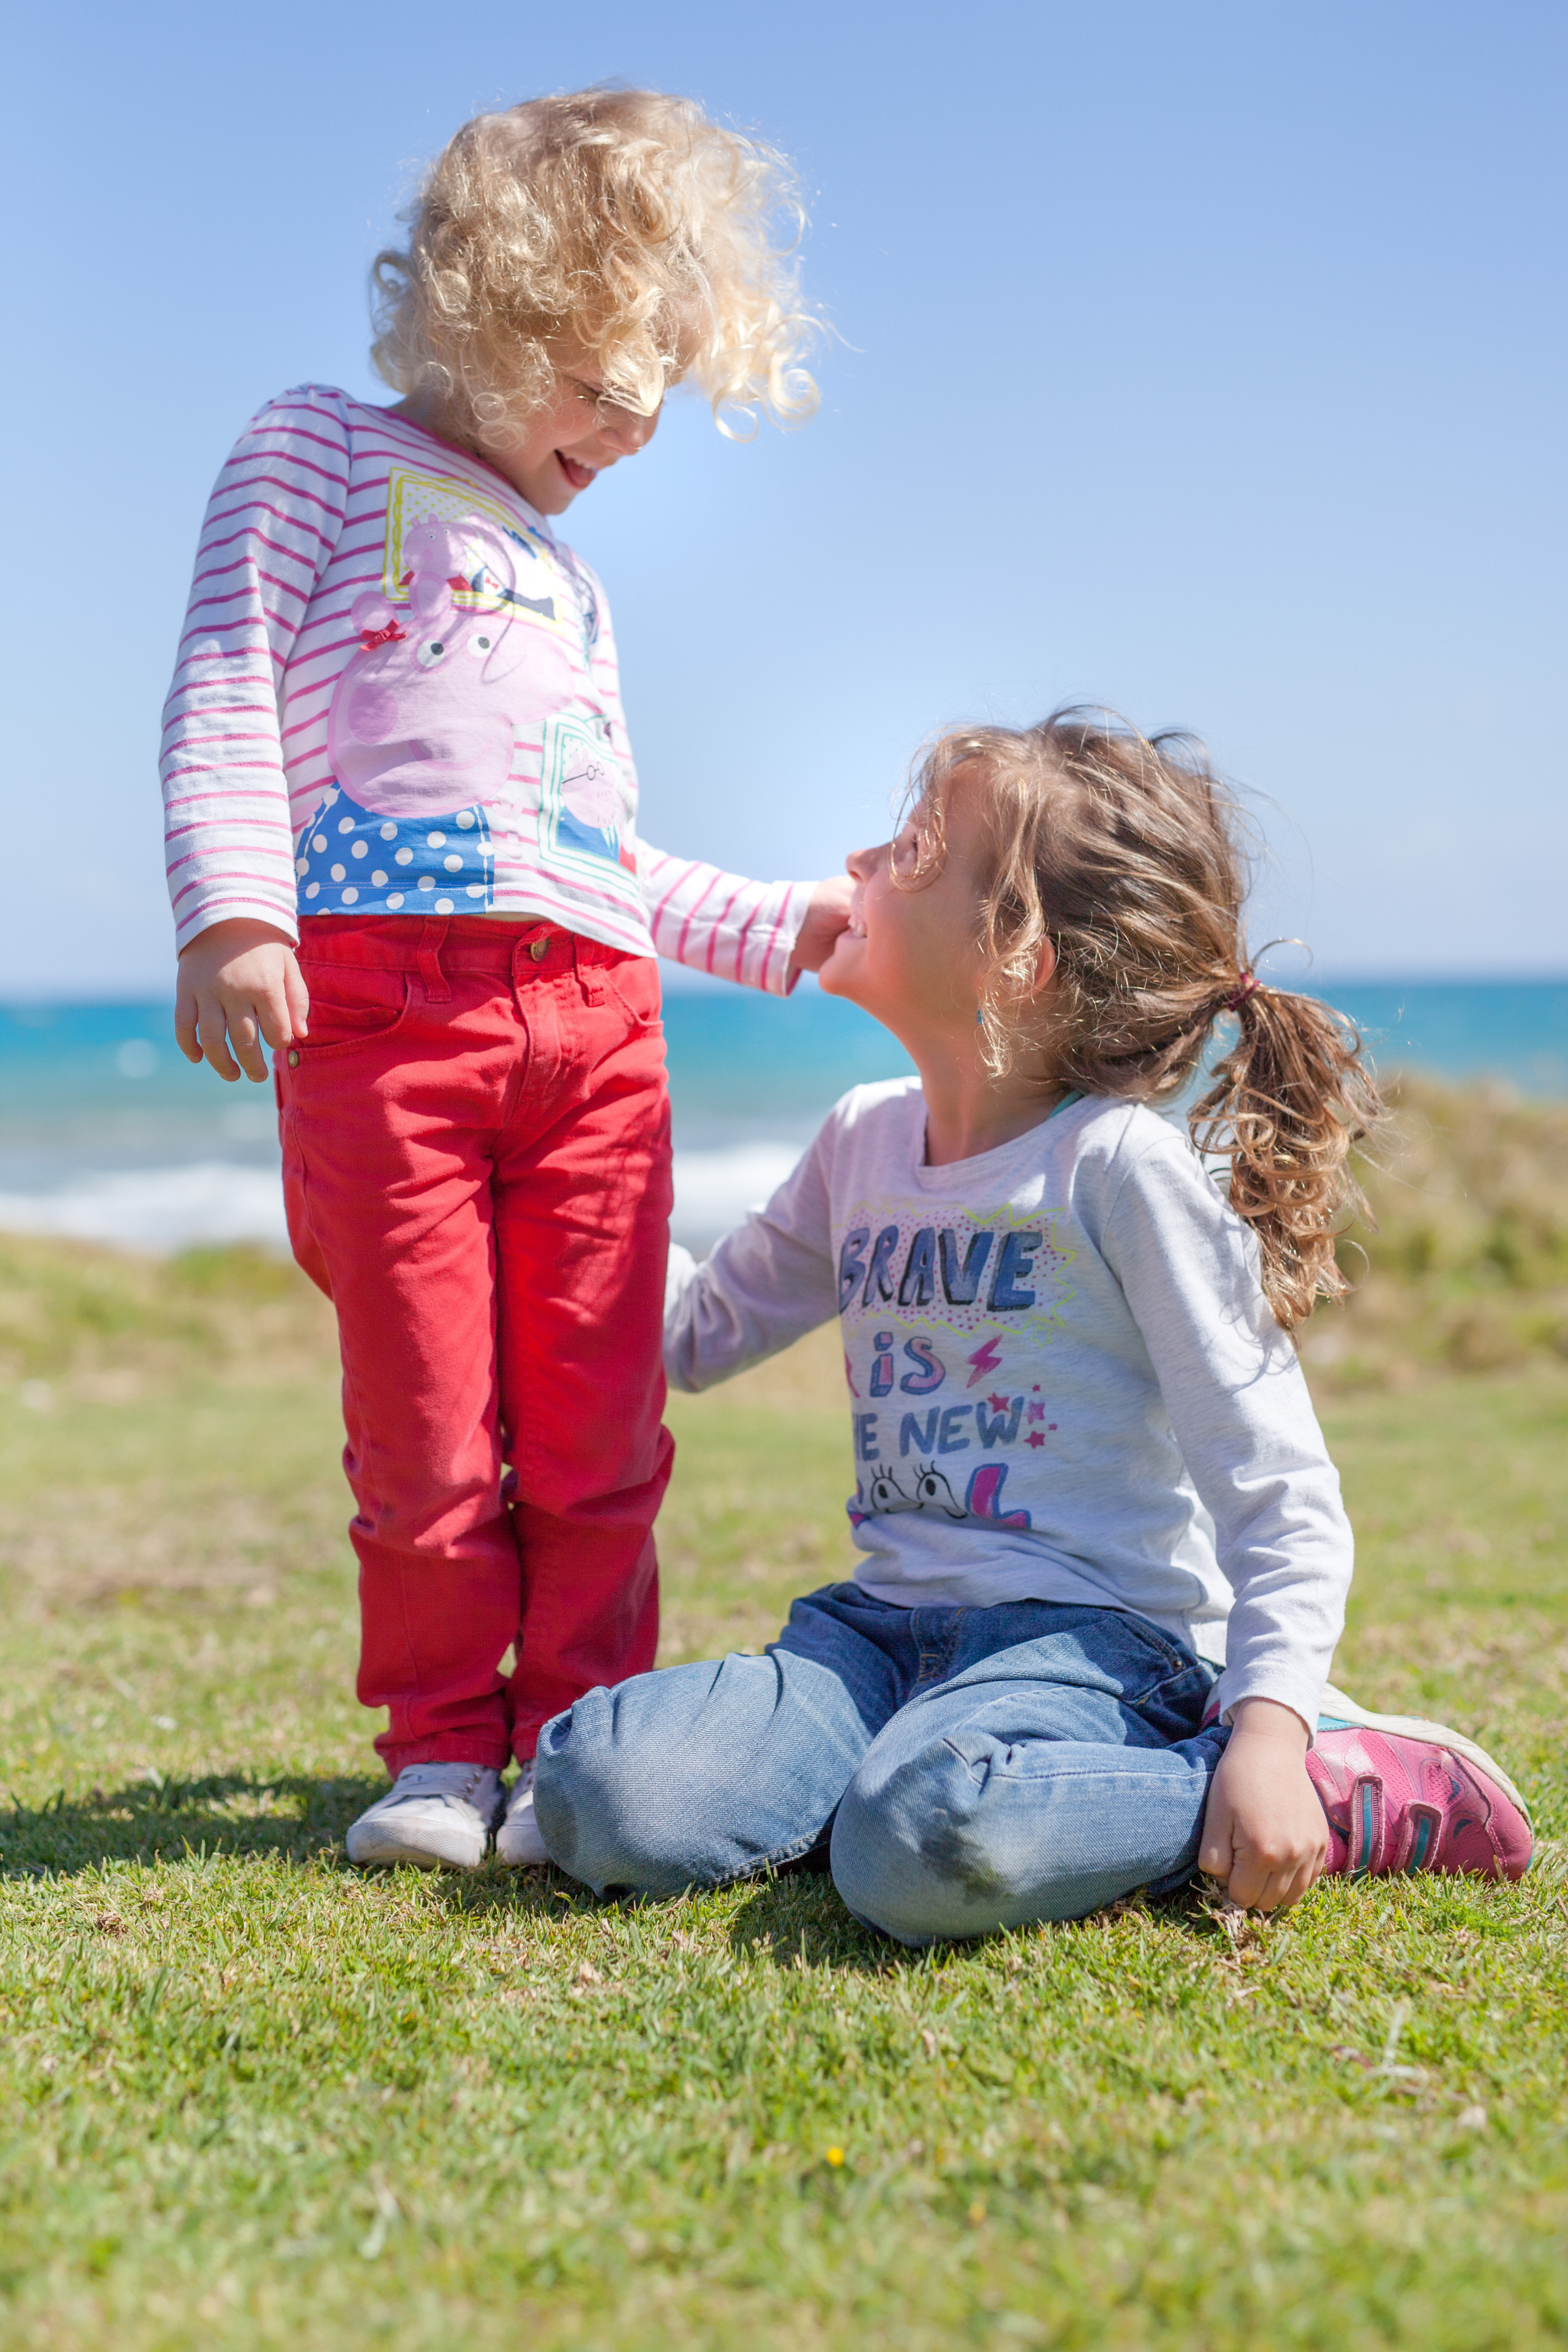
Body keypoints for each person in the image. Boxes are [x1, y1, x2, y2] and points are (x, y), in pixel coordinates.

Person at [160, 90, 851, 1872]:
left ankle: (574, 1748)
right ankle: (444, 1753)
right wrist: (236, 912)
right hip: (387, 1025)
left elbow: (596, 857)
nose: (633, 432)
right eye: (606, 383)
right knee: (430, 1424)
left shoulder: (570, 583)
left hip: (600, 1030)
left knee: (599, 1424)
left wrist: (776, 927)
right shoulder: (319, 449)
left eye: (658, 397)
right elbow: (229, 679)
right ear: (496, 312)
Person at [533, 712, 1533, 1935]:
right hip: (874, 1642)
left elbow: (1273, 1486)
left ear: (1015, 956)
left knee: (921, 1843)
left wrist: (1265, 1726)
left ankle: (1318, 1784)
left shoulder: (1115, 1171)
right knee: (597, 1790)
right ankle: (910, 1793)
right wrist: (546, 1191)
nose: (854, 864)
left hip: (1090, 1652)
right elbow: (687, 1337)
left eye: (907, 852)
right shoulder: (860, 1140)